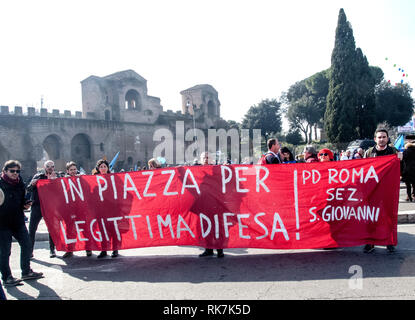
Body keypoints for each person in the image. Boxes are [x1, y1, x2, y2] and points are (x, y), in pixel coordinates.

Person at [0, 160, 44, 287]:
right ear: (5, 171)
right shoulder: (0, 184)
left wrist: (25, 204)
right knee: (5, 251)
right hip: (2, 223)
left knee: (27, 244)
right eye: (12, 171)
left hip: (18, 220)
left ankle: (26, 271)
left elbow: (22, 199)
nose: (15, 173)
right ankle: (7, 277)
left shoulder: (19, 183)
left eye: (17, 171)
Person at [363, 128, 398, 254]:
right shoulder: (368, 152)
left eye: (384, 137)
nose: (382, 139)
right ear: (375, 139)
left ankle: (389, 241)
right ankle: (371, 242)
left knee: (389, 217)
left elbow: (399, 168)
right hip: (373, 191)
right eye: (379, 137)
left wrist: (401, 159)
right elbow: (363, 170)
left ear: (387, 138)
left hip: (388, 190)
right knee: (371, 216)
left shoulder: (393, 151)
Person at [27, 160, 59, 258]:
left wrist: (55, 182)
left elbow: (61, 191)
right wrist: (33, 184)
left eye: (52, 166)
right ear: (44, 167)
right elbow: (28, 189)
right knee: (32, 229)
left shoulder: (57, 176)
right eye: (48, 166)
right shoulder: (38, 177)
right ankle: (29, 251)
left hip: (50, 206)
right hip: (37, 206)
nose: (50, 168)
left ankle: (52, 250)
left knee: (51, 229)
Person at [62, 161, 92, 258]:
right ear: (67, 171)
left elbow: (88, 189)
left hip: (81, 208)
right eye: (71, 170)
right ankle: (70, 250)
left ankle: (88, 248)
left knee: (85, 228)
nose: (73, 171)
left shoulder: (81, 179)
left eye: (75, 169)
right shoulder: (63, 181)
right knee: (70, 230)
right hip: (69, 209)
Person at [198, 152, 224, 258]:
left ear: (212, 159)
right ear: (201, 160)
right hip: (203, 203)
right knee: (206, 226)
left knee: (217, 226)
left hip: (216, 203)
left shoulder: (217, 170)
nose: (205, 159)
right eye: (204, 157)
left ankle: (219, 249)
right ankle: (208, 249)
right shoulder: (197, 171)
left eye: (207, 157)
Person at [93, 159, 119, 258]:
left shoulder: (113, 178)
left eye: (104, 166)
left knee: (113, 229)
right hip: (100, 208)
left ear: (108, 168)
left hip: (111, 208)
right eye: (101, 167)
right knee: (102, 229)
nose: (103, 168)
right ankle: (104, 250)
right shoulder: (94, 179)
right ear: (98, 168)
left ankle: (115, 249)